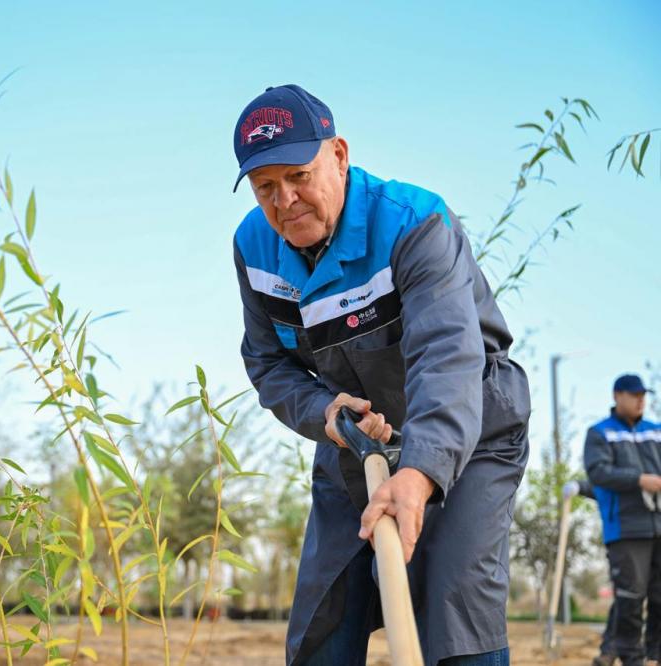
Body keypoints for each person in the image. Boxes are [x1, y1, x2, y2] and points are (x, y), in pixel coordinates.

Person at [230, 85, 531, 665]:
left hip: (469, 429)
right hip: (357, 436)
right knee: (324, 617)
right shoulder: (253, 246)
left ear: (339, 155)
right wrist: (324, 413)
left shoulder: (414, 224)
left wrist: (418, 472)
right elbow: (268, 361)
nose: (285, 200)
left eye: (299, 175)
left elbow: (447, 357)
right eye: (265, 187)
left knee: (453, 605)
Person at [585, 374, 661, 666]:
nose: (641, 399)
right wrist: (639, 480)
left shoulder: (655, 431)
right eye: (634, 394)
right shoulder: (600, 433)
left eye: (643, 394)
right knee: (630, 598)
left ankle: (656, 654)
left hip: (658, 524)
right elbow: (599, 472)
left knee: (658, 596)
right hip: (626, 529)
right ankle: (632, 659)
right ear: (617, 396)